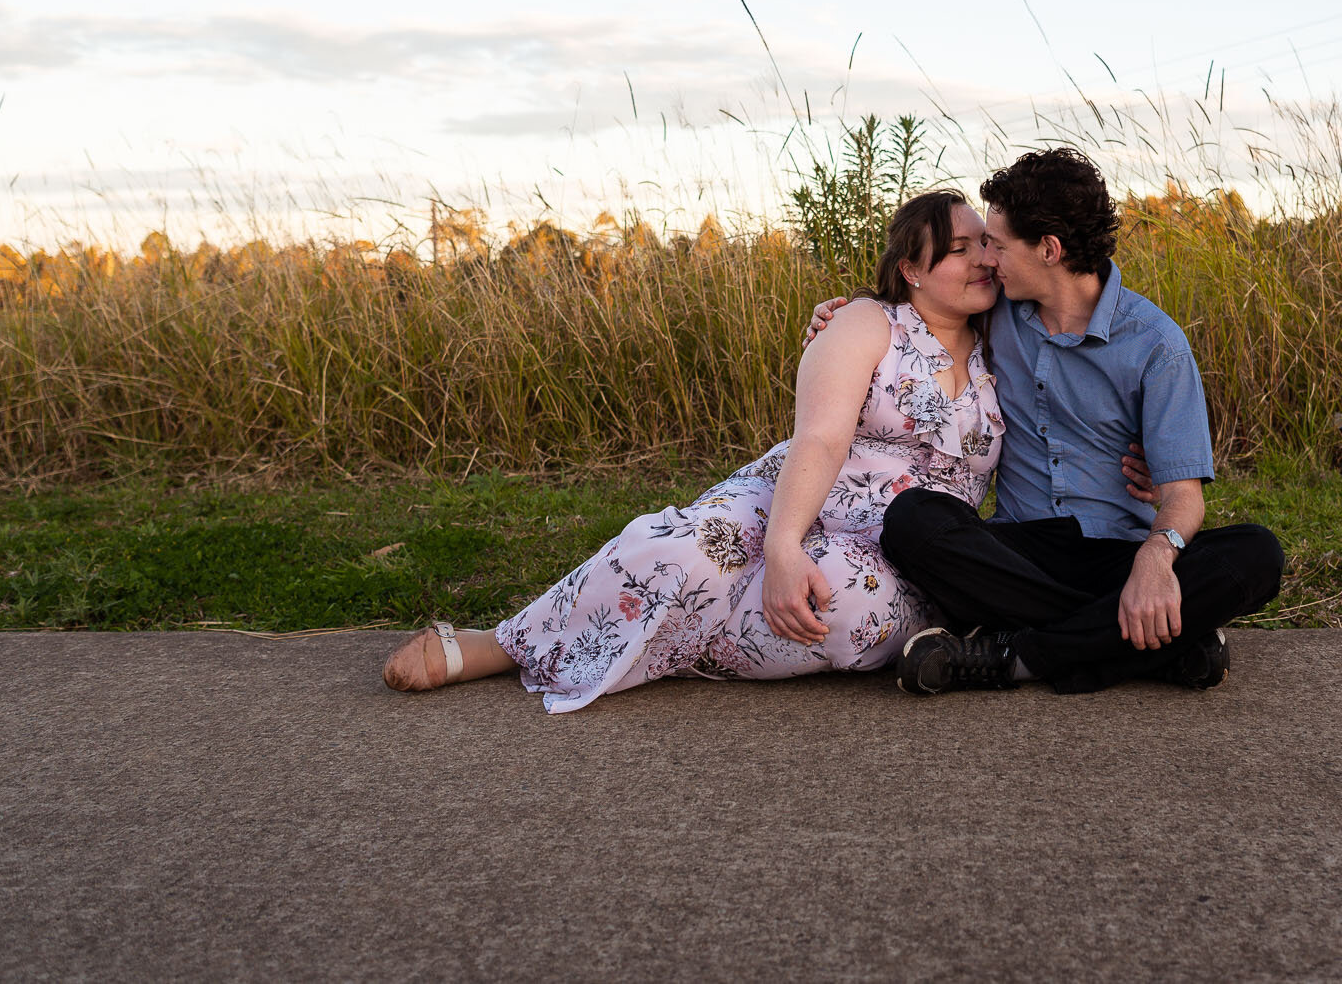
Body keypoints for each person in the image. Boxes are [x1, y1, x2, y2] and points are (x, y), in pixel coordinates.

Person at [380, 190, 1005, 711]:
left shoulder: (1006, 341)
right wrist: (784, 546)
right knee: (687, 548)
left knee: (843, 603)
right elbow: (820, 438)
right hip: (800, 492)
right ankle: (503, 644)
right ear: (911, 270)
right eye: (960, 249)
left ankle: (659, 653)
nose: (983, 259)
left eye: (986, 243)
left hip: (907, 541)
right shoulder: (868, 322)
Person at [806, 147, 1283, 696]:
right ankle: (1154, 646)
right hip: (1016, 556)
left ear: (1049, 250)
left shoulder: (1157, 346)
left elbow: (1183, 496)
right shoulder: (995, 311)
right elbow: (912, 310)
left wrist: (1155, 559)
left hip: (1117, 553)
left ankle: (1019, 655)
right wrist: (834, 319)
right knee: (913, 520)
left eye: (998, 244)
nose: (987, 258)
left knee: (1257, 554)